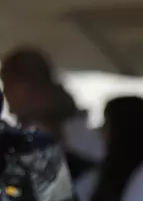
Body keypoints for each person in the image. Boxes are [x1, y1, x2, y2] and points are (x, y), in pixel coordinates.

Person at [0, 46, 103, 176]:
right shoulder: (18, 135)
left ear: (31, 85)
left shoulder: (80, 135)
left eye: (9, 83)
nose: (6, 92)